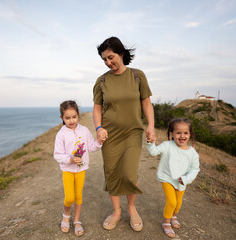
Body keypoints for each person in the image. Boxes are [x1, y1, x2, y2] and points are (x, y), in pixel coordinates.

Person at [93, 36, 156, 232]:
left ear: (121, 54)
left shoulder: (138, 76)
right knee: (112, 172)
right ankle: (117, 211)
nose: (108, 62)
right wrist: (98, 128)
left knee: (129, 173)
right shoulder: (102, 81)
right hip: (110, 134)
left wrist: (151, 125)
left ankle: (131, 208)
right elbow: (97, 108)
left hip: (132, 133)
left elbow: (146, 102)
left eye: (111, 57)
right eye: (104, 59)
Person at [54, 100, 104, 236]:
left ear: (78, 115)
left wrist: (99, 142)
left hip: (81, 169)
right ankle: (66, 215)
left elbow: (91, 147)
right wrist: (70, 159)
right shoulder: (61, 134)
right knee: (69, 197)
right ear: (62, 118)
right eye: (67, 118)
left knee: (79, 196)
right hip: (68, 170)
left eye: (74, 117)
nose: (71, 120)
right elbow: (57, 155)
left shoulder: (84, 130)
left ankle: (76, 220)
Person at [146, 118, 200, 238]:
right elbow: (153, 152)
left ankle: (173, 216)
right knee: (172, 202)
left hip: (182, 181)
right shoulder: (167, 145)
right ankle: (166, 223)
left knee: (178, 203)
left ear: (190, 134)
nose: (182, 136)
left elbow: (195, 169)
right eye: (178, 132)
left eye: (185, 133)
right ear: (172, 133)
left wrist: (185, 179)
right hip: (167, 178)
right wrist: (150, 143)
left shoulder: (192, 153)